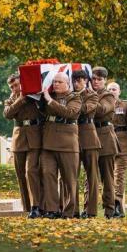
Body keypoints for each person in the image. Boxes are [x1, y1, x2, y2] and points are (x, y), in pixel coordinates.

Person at [39, 73, 81, 219]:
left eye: (59, 82)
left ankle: (69, 211)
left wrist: (50, 100)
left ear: (67, 83)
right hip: (49, 142)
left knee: (69, 179)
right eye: (54, 81)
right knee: (48, 175)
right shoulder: (48, 96)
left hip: (67, 143)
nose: (55, 84)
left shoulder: (74, 97)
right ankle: (52, 209)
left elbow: (69, 113)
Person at [3, 73, 43, 218]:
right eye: (11, 86)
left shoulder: (33, 97)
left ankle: (36, 206)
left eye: (16, 85)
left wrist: (28, 96)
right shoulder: (10, 100)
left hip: (34, 137)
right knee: (20, 174)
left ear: (22, 83)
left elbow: (42, 108)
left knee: (30, 171)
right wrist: (20, 99)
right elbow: (7, 114)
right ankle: (27, 207)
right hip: (19, 139)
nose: (14, 88)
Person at [64, 70, 101, 218]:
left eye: (81, 80)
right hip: (71, 137)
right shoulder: (69, 95)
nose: (77, 83)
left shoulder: (92, 95)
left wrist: (72, 104)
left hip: (89, 136)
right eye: (75, 80)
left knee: (91, 176)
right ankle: (73, 210)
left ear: (86, 81)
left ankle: (90, 210)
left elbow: (84, 109)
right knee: (71, 175)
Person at [108, 82, 127, 218]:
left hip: (123, 144)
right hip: (106, 143)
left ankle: (117, 203)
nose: (111, 91)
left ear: (119, 91)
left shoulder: (125, 105)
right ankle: (109, 205)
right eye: (109, 89)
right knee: (108, 176)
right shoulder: (102, 104)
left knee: (119, 175)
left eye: (114, 89)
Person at [91, 66, 119, 218]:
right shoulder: (87, 94)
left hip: (105, 138)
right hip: (90, 136)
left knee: (107, 178)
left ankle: (110, 209)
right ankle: (89, 209)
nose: (96, 82)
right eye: (93, 79)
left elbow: (101, 110)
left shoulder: (108, 96)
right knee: (90, 177)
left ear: (105, 80)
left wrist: (89, 96)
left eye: (99, 79)